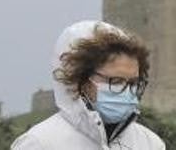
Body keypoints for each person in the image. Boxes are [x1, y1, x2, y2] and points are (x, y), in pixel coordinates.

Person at [13, 20, 166, 150]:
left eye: (133, 83)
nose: (127, 91)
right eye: (116, 81)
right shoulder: (40, 143)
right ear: (84, 81)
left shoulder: (150, 144)